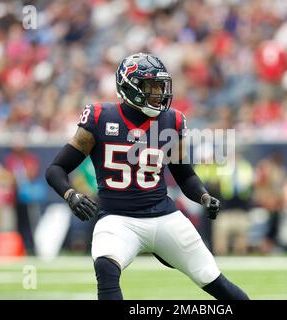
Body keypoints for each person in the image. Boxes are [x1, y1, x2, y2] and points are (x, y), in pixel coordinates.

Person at [45, 53, 249, 300]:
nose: (158, 93)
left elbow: (184, 176)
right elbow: (56, 169)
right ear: (129, 86)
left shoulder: (171, 120)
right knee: (105, 265)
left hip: (164, 217)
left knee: (213, 279)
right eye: (150, 86)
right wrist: (71, 195)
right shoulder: (99, 117)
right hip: (118, 220)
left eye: (160, 86)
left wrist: (204, 196)